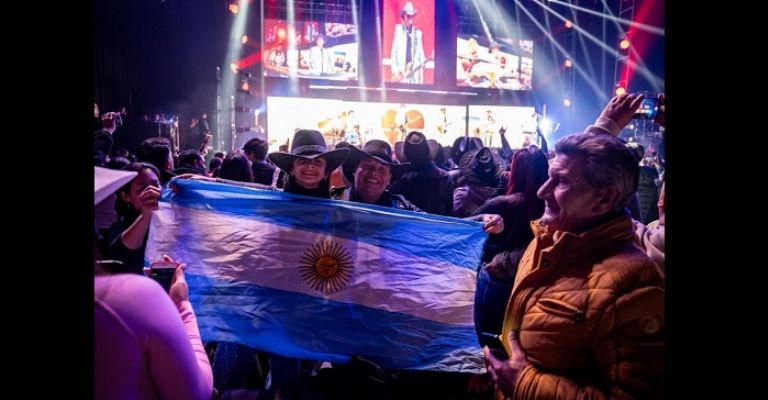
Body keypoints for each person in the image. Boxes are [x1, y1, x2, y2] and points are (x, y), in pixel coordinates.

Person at [483, 130, 664, 398]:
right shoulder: (546, 242)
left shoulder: (633, 287)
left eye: (561, 182)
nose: (542, 191)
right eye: (549, 177)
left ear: (604, 199)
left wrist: (526, 385)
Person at [94, 166, 213, 400]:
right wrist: (182, 306)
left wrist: (195, 186)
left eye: (155, 184)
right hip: (160, 318)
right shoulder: (133, 292)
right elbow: (123, 246)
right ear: (125, 197)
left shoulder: (175, 218)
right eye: (141, 188)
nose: (151, 191)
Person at [390, 2, 425, 83]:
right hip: (401, 75)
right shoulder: (398, 31)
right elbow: (394, 53)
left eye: (412, 16)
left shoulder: (417, 34)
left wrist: (423, 63)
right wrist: (396, 72)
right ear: (404, 16)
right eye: (408, 16)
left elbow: (421, 55)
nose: (410, 18)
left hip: (413, 77)